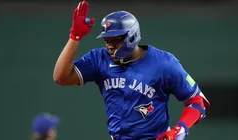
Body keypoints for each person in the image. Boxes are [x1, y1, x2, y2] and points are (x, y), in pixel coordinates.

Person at [53, 1, 210, 140]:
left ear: (132, 36)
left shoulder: (165, 63)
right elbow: (61, 77)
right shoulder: (99, 59)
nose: (109, 46)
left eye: (115, 40)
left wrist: (179, 129)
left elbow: (197, 101)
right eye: (107, 41)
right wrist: (75, 37)